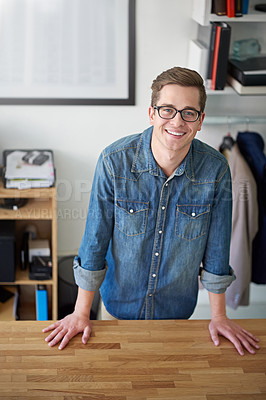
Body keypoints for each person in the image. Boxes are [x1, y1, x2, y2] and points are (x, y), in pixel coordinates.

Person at [43, 67, 259, 355]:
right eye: (167, 110)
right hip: (117, 309)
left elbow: (217, 249)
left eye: (188, 112)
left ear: (200, 121)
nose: (177, 121)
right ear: (152, 113)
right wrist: (81, 313)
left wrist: (219, 317)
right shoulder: (113, 162)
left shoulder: (216, 169)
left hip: (177, 314)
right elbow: (94, 242)